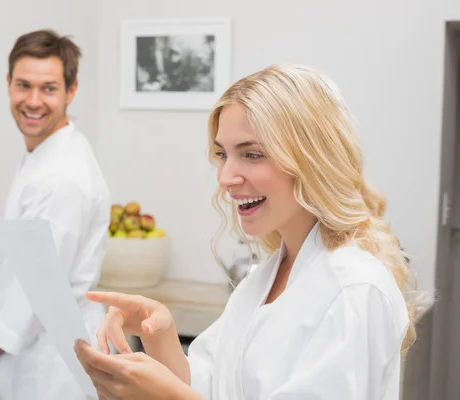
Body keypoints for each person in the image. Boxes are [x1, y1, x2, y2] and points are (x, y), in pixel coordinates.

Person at [74, 65, 416, 399]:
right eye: (223, 154)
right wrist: (161, 336)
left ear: (313, 158)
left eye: (252, 154)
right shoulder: (265, 279)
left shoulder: (354, 290)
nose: (225, 178)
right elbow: (220, 384)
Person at [0, 29, 110, 399]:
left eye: (49, 88)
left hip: (54, 370)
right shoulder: (48, 154)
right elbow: (26, 264)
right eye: (24, 85)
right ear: (8, 84)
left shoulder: (61, 177)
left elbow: (38, 289)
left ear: (71, 91)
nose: (34, 101)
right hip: (45, 355)